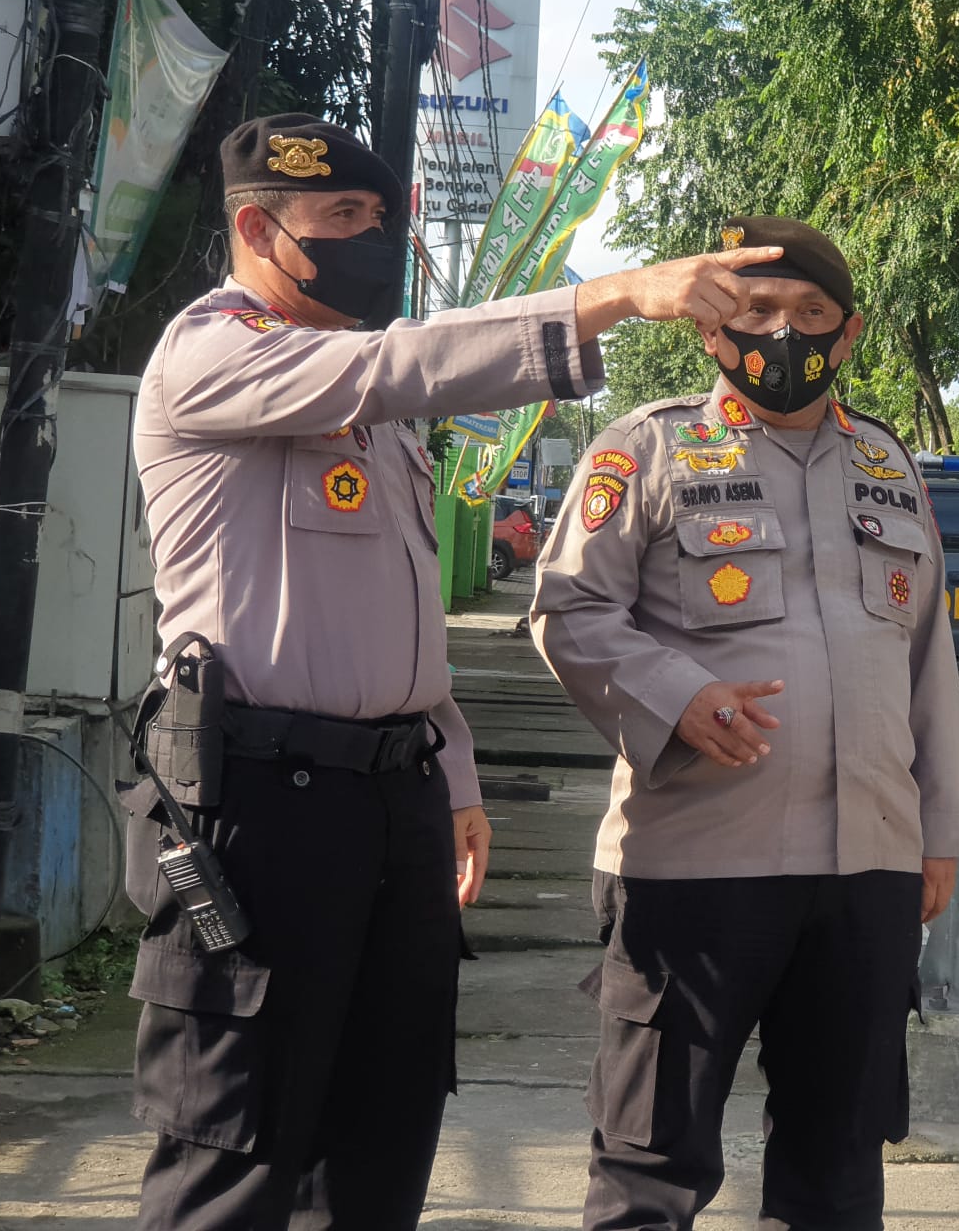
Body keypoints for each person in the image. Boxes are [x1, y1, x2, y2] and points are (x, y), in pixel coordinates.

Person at [125, 113, 785, 1231]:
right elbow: (399, 364)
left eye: (381, 219)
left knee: (383, 1135)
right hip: (258, 814)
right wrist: (612, 295)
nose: (369, 238)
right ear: (255, 228)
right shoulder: (212, 355)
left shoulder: (372, 424)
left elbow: (401, 629)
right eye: (341, 217)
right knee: (234, 1149)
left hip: (393, 805)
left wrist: (457, 777)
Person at [530, 216, 959, 1231]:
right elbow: (569, 610)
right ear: (710, 327)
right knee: (652, 1167)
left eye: (811, 314)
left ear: (850, 333)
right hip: (695, 865)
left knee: (838, 1165)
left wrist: (937, 835)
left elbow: (927, 669)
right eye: (758, 309)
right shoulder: (643, 448)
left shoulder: (888, 464)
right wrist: (675, 696)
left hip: (866, 870)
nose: (785, 332)